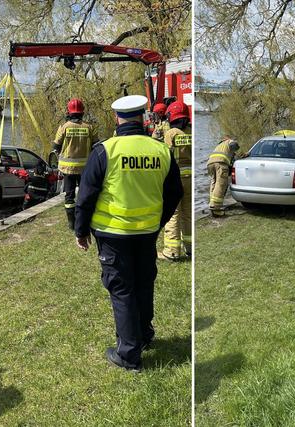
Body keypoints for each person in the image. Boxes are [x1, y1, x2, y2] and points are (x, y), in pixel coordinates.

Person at [73, 94, 183, 372]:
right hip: (147, 232)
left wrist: (81, 231)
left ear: (116, 118)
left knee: (121, 289)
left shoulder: (105, 151)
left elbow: (85, 196)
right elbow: (175, 193)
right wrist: (158, 221)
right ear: (144, 116)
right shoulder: (160, 150)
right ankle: (144, 335)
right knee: (144, 283)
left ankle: (129, 354)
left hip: (112, 234)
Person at [52, 98, 98, 230]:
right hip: (85, 168)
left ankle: (72, 223)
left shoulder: (64, 127)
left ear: (69, 112)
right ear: (82, 112)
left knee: (69, 195)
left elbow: (55, 146)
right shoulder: (89, 127)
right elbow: (96, 145)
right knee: (85, 194)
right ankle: (85, 219)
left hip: (68, 169)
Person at [159, 101, 192, 260]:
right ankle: (190, 248)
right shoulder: (191, 132)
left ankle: (172, 252)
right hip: (191, 178)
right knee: (188, 214)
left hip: (176, 178)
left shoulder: (171, 133)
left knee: (173, 213)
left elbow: (166, 156)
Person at [207, 137, 240, 216]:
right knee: (221, 184)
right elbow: (234, 145)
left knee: (214, 183)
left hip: (210, 163)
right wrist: (238, 147)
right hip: (221, 163)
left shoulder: (220, 145)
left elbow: (230, 154)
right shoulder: (230, 141)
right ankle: (216, 208)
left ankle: (212, 204)